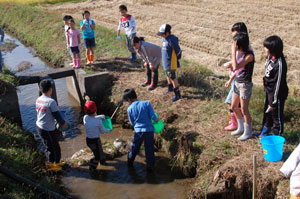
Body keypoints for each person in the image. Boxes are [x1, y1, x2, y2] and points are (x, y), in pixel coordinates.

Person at [254, 35, 288, 137]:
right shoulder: (270, 57)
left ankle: (276, 136)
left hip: (277, 93)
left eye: (266, 47)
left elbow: (278, 83)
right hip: (269, 90)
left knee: (276, 115)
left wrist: (273, 101)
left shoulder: (280, 64)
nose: (264, 49)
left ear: (273, 49)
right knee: (267, 112)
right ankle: (264, 133)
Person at [123, 88, 159, 171]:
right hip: (149, 130)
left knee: (135, 147)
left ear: (128, 99)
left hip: (138, 132)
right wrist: (157, 120)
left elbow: (132, 123)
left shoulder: (129, 109)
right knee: (149, 149)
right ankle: (150, 167)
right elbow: (153, 117)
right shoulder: (147, 103)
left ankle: (130, 161)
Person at [224, 22, 251, 131]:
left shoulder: (245, 50)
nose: (233, 35)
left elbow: (238, 66)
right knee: (234, 103)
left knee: (232, 103)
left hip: (241, 79)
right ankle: (237, 122)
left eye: (235, 32)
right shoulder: (240, 47)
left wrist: (233, 52)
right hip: (236, 78)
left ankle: (238, 124)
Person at [36, 79, 67, 167]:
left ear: (40, 90)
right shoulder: (51, 102)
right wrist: (63, 123)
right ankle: (53, 166)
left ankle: (53, 163)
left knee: (49, 146)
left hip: (39, 126)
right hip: (47, 129)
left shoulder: (38, 99)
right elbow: (57, 115)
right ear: (51, 89)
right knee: (54, 149)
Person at [230, 32, 255, 141]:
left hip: (245, 84)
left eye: (237, 45)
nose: (235, 47)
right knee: (234, 106)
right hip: (237, 81)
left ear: (241, 45)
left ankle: (248, 131)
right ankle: (240, 127)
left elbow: (235, 67)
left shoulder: (249, 55)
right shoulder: (242, 51)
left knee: (244, 109)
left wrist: (233, 52)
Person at [83, 98, 111, 172]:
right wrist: (109, 129)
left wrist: (100, 116)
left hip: (88, 140)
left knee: (97, 152)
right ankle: (92, 168)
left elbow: (92, 118)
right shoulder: (98, 121)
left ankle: (101, 160)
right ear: (95, 109)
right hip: (95, 141)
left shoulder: (85, 118)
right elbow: (102, 131)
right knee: (97, 156)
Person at [157, 24, 182, 102]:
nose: (161, 35)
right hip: (165, 61)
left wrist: (176, 59)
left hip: (171, 62)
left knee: (172, 77)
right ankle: (170, 88)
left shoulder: (172, 40)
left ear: (167, 33)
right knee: (167, 75)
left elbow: (178, 51)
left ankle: (177, 94)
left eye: (162, 34)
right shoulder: (164, 39)